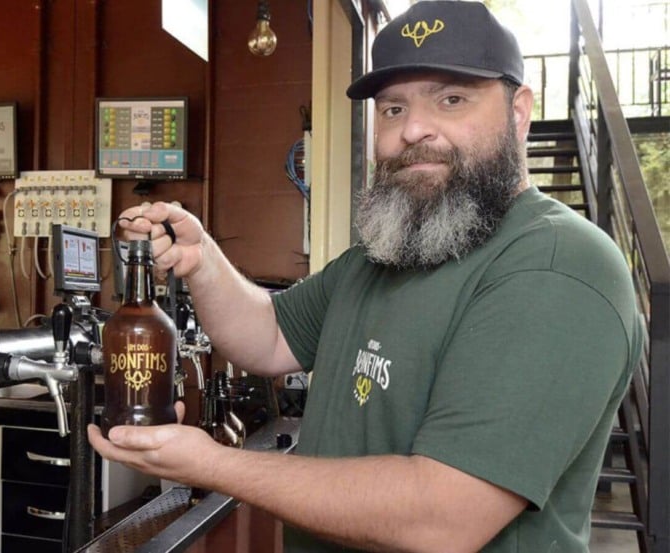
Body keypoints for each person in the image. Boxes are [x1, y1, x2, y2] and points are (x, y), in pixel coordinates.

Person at [87, 1, 643, 551]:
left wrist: (212, 465)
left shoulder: (558, 267)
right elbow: (270, 335)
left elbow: (442, 519)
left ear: (518, 111)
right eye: (393, 109)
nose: (413, 130)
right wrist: (202, 260)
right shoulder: (386, 251)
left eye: (451, 99)